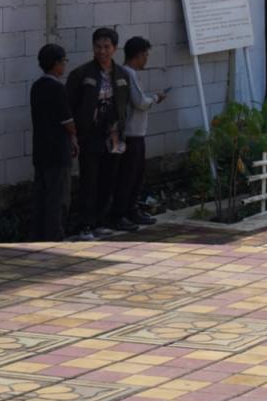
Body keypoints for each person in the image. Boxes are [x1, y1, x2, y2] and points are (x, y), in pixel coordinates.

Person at [66, 27, 134, 238]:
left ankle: (99, 221)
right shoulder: (81, 74)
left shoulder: (122, 74)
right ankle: (85, 224)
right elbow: (69, 106)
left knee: (108, 179)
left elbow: (125, 103)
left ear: (115, 48)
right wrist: (74, 135)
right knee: (89, 180)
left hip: (114, 135)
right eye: (98, 47)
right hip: (90, 136)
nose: (102, 51)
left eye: (106, 47)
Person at [113, 36, 167, 226]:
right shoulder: (129, 73)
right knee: (129, 176)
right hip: (131, 133)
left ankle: (131, 210)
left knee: (135, 175)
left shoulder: (126, 72)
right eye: (146, 55)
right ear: (139, 55)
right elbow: (140, 102)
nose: (146, 59)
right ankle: (121, 213)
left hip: (134, 132)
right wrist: (155, 98)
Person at [29, 44, 78, 242]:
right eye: (63, 61)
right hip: (58, 151)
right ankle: (54, 237)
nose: (65, 65)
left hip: (40, 149)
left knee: (41, 196)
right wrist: (75, 136)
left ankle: (37, 235)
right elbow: (67, 122)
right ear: (56, 63)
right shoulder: (57, 88)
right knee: (58, 198)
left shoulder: (36, 86)